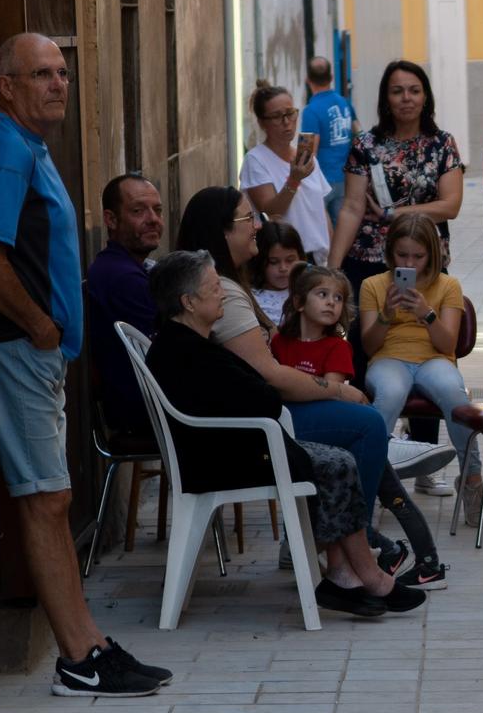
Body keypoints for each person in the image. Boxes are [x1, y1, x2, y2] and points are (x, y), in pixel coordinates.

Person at [0, 32, 171, 696]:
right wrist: (41, 324)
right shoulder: (2, 151)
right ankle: (80, 659)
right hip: (12, 349)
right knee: (46, 500)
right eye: (39, 74)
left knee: (50, 497)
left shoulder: (26, 146)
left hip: (28, 354)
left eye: (62, 73)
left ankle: (91, 643)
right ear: (7, 86)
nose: (56, 84)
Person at [174, 186, 455, 571]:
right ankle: (356, 538)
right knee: (369, 424)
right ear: (222, 231)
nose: (257, 224)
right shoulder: (222, 292)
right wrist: (338, 390)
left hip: (253, 415)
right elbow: (271, 375)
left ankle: (348, 539)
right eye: (246, 219)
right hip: (257, 426)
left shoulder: (225, 285)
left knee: (367, 423)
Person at [143, 250, 426, 618]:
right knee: (339, 462)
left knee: (337, 461)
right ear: (189, 302)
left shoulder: (188, 342)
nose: (223, 295)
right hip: (226, 458)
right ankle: (367, 576)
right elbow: (260, 397)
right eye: (214, 289)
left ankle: (348, 574)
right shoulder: (188, 350)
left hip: (230, 448)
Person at [275, 262, 450, 590]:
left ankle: (415, 556)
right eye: (322, 294)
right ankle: (388, 544)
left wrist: (293, 383)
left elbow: (328, 393)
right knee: (380, 469)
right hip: (291, 430)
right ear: (299, 302)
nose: (331, 302)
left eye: (338, 298)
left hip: (330, 433)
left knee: (382, 476)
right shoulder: (279, 344)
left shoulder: (337, 347)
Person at [330, 59, 466, 393]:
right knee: (366, 352)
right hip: (368, 261)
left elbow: (451, 205)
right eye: (397, 91)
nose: (406, 98)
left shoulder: (442, 144)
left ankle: (425, 444)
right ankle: (374, 434)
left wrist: (397, 216)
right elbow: (351, 207)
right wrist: (332, 269)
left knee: (432, 347)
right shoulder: (365, 146)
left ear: (425, 97)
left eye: (414, 90)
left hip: (426, 261)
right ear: (385, 99)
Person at [356, 213, 483, 523]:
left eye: (418, 256)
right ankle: (371, 484)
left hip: (434, 359)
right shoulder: (373, 285)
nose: (410, 263)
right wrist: (386, 314)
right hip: (388, 358)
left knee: (455, 395)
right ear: (390, 253)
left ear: (432, 254)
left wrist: (427, 314)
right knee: (389, 394)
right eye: (402, 255)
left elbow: (447, 344)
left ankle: (472, 479)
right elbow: (369, 346)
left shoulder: (448, 286)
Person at [85, 172, 166, 443]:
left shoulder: (126, 268)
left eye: (157, 210)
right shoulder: (123, 278)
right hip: (147, 416)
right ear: (110, 219)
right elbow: (166, 356)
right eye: (138, 210)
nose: (153, 219)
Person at [241, 81, 332, 263]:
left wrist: (333, 259)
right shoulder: (256, 159)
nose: (286, 122)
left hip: (317, 259)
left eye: (290, 113)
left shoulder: (307, 157)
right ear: (262, 122)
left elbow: (321, 212)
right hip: (283, 261)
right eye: (276, 116)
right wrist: (294, 179)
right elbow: (271, 210)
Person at [299, 56, 355, 226]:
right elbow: (359, 134)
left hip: (322, 182)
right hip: (345, 179)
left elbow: (307, 153)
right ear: (331, 78)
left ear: (308, 80)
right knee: (342, 231)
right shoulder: (345, 104)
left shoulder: (311, 111)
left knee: (322, 232)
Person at [250, 219, 306, 323]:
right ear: (259, 262)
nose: (283, 268)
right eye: (274, 262)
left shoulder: (308, 292)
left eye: (290, 260)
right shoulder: (251, 299)